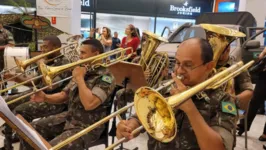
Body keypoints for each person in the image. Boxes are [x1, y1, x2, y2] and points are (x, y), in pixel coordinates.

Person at [116, 38, 238, 150]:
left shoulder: (223, 100)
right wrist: (129, 127)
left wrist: (191, 110)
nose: (179, 70)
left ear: (209, 66)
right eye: (178, 63)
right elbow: (142, 117)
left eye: (188, 65)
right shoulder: (164, 87)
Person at [20, 39, 116, 150]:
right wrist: (45, 97)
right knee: (29, 131)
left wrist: (80, 79)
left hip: (87, 127)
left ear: (96, 54)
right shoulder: (83, 71)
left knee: (52, 147)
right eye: (80, 52)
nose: (80, 56)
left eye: (83, 53)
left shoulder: (106, 78)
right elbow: (63, 95)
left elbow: (89, 104)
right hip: (69, 118)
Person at [1, 36, 71, 150]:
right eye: (42, 46)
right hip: (38, 93)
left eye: (46, 47)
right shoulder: (47, 60)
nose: (42, 50)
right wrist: (16, 79)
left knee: (20, 111)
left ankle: (26, 140)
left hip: (53, 99)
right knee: (7, 103)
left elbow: (51, 87)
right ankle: (8, 142)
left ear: (57, 47)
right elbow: (35, 82)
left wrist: (41, 65)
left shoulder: (64, 63)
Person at [236, 47, 266, 149]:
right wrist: (263, 53)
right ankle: (243, 126)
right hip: (264, 77)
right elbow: (257, 62)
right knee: (254, 102)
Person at [217, 46, 253, 111]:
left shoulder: (237, 66)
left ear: (228, 49)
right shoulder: (208, 65)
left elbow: (249, 91)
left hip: (228, 107)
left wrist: (233, 99)